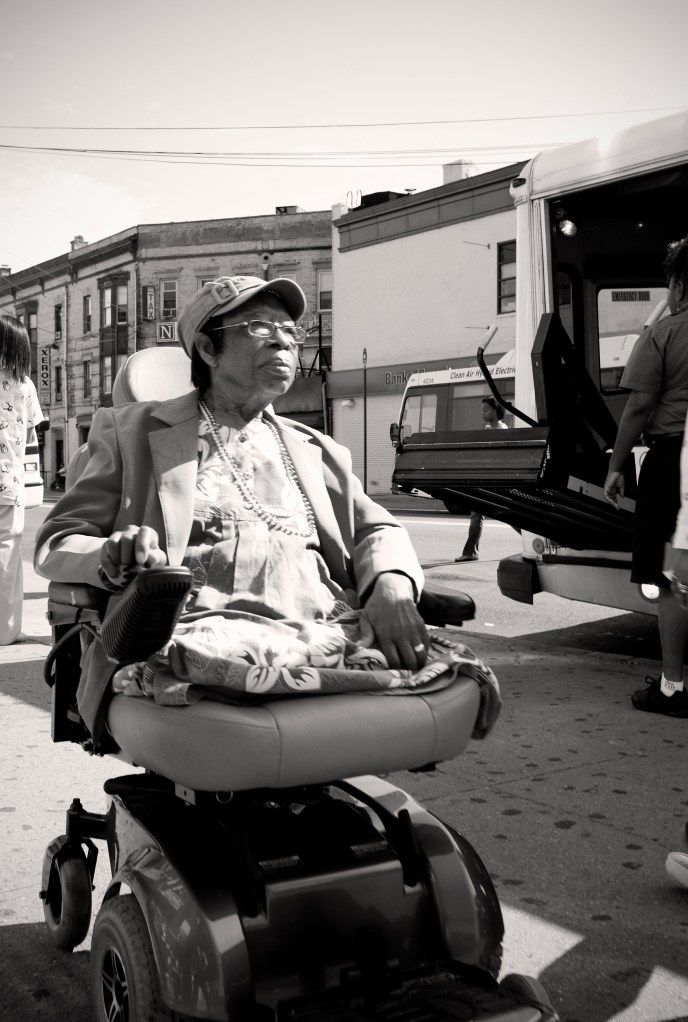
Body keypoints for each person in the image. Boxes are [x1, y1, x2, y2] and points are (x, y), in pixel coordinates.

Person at [34, 276, 499, 746]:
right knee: (224, 664)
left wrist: (392, 590)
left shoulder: (316, 449)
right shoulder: (129, 430)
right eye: (259, 327)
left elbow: (378, 528)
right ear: (208, 349)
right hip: (199, 630)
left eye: (290, 331)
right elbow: (59, 539)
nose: (283, 340)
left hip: (325, 629)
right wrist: (110, 555)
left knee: (458, 672)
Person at [604, 236, 688, 716]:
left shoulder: (662, 335)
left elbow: (638, 407)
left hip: (674, 461)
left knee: (672, 575)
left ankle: (673, 686)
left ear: (679, 286)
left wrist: (616, 465)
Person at [0, 314, 44, 645]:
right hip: (8, 483)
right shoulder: (24, 385)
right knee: (8, 556)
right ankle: (6, 629)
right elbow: (29, 434)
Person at [455, 397, 508, 562]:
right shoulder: (489, 429)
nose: (482, 413)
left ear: (495, 411)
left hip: (495, 480)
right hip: (486, 478)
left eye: (485, 410)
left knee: (508, 514)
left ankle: (471, 552)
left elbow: (498, 456)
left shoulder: (501, 430)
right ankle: (470, 552)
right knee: (477, 513)